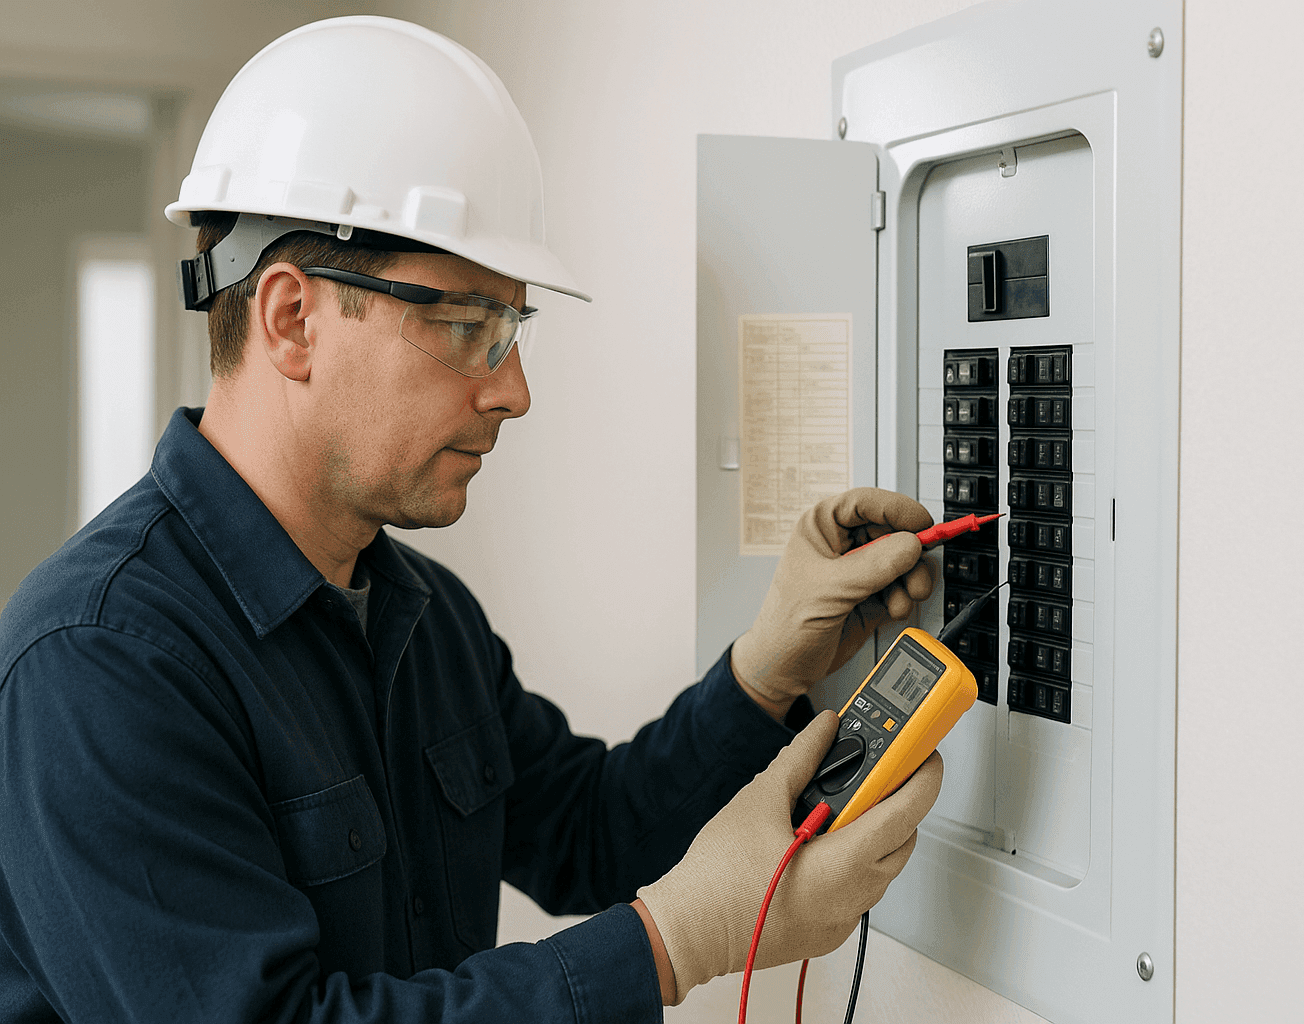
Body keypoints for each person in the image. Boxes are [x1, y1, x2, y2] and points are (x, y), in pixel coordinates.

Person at [0, 16, 942, 1023]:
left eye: (513, 327)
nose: (515, 391)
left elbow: (592, 832)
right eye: (468, 327)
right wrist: (672, 943)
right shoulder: (99, 660)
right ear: (290, 320)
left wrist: (766, 669)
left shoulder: (421, 612)